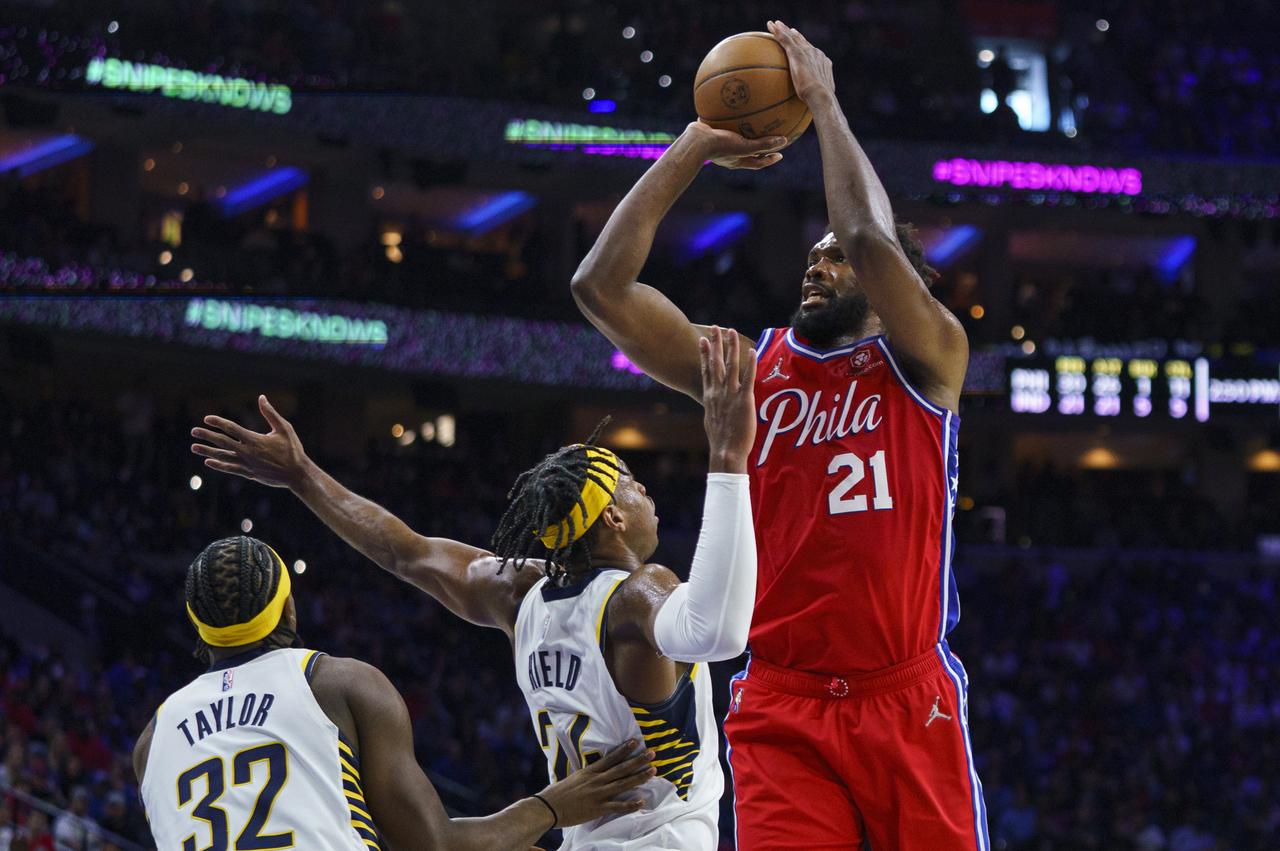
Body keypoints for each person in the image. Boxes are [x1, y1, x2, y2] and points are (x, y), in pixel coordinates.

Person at [568, 19, 986, 851]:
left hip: (906, 695)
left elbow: (868, 237)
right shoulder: (749, 370)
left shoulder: (929, 359)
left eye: (834, 259)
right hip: (781, 702)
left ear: (892, 289)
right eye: (811, 255)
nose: (817, 263)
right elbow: (599, 287)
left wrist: (822, 102)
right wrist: (694, 146)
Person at [189, 326, 759, 850]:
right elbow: (718, 632)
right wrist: (727, 454)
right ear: (612, 516)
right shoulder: (638, 593)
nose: (647, 492)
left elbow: (404, 552)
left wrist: (302, 476)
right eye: (631, 483)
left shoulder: (519, 595)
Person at [134, 535, 656, 851]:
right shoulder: (336, 683)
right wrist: (551, 807)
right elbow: (434, 845)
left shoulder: (151, 741)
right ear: (289, 608)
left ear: (198, 625)